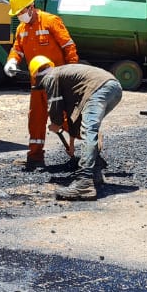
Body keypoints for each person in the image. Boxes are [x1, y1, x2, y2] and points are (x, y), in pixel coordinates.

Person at [4, 0, 79, 170]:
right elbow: (17, 49)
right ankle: (35, 157)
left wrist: (71, 76)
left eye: (21, 12)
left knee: (65, 118)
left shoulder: (50, 21)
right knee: (36, 120)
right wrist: (12, 61)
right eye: (17, 14)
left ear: (31, 7)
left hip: (57, 82)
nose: (19, 16)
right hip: (37, 83)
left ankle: (88, 152)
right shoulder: (22, 29)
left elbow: (69, 48)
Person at [29, 56, 122, 201]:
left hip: (100, 88)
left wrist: (56, 122)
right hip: (112, 88)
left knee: (88, 131)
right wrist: (71, 134)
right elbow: (74, 116)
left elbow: (54, 103)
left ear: (36, 74)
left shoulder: (50, 76)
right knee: (87, 128)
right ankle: (95, 172)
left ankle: (84, 184)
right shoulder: (65, 76)